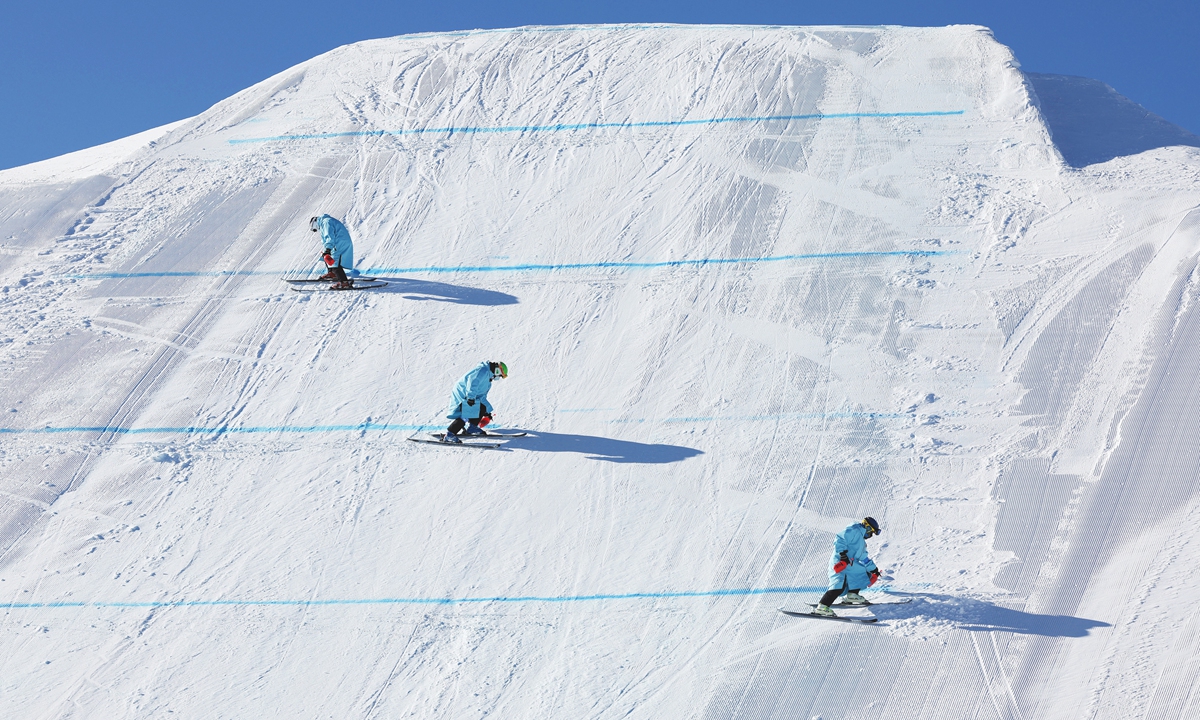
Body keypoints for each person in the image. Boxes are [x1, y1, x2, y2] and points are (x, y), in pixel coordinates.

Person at [812, 517, 882, 616]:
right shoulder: (854, 530)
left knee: (862, 573)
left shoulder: (861, 542)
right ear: (868, 528)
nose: (870, 535)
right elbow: (840, 539)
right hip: (841, 562)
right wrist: (842, 554)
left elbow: (864, 558)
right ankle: (822, 607)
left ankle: (852, 595)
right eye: (871, 532)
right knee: (838, 585)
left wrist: (874, 569)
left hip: (850, 565)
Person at [442, 361, 508, 443]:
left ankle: (472, 427)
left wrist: (487, 411)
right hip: (463, 392)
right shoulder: (483, 370)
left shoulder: (488, 380)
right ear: (497, 370)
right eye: (499, 375)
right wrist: (470, 397)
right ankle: (450, 434)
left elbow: (481, 397)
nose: (497, 377)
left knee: (482, 407)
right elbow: (472, 382)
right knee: (467, 413)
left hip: (470, 395)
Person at [310, 214, 355, 289]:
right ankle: (332, 274)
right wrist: (326, 250)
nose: (317, 229)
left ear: (314, 223)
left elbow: (329, 237)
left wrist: (328, 249)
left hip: (338, 243)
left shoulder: (326, 222)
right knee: (326, 256)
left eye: (315, 229)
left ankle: (344, 283)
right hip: (340, 242)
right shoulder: (325, 222)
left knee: (334, 262)